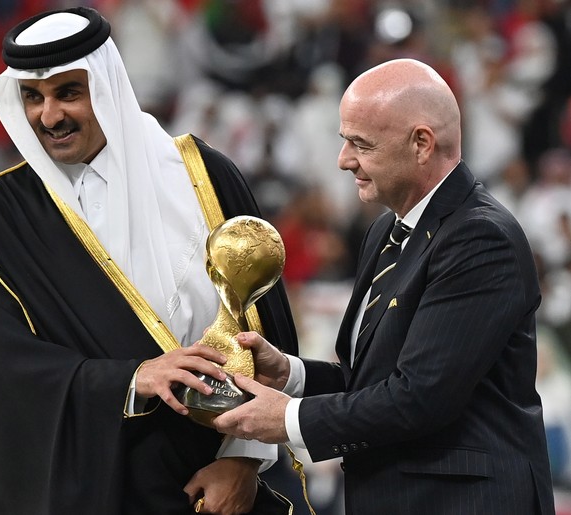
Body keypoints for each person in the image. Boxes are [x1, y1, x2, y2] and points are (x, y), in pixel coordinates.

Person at [0, 7, 299, 515]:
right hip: (84, 483)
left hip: (211, 480)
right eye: (33, 97)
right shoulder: (1, 214)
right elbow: (4, 368)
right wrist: (132, 379)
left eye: (68, 93)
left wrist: (245, 460)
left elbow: (263, 331)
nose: (49, 117)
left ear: (106, 86)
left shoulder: (206, 176)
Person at [213, 58, 555, 514]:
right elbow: (376, 383)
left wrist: (286, 419)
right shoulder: (385, 232)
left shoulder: (479, 237)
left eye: (361, 144)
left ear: (421, 144)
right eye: (344, 141)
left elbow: (420, 397)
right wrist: (292, 376)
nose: (343, 160)